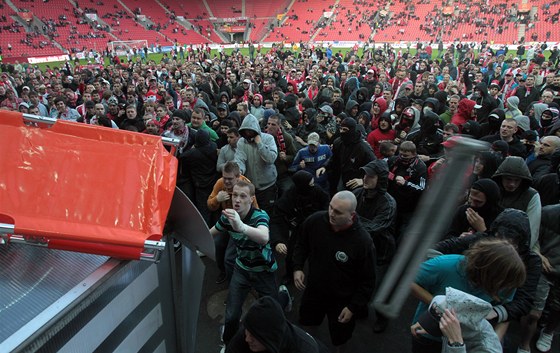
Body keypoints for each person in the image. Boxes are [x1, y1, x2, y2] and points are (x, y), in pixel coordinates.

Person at [292, 191, 376, 353]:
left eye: (338, 212)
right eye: (331, 207)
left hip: (342, 300)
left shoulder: (362, 242)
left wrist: (353, 307)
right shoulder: (315, 221)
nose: (331, 213)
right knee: (307, 325)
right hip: (314, 290)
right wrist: (297, 267)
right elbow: (301, 244)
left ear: (352, 215)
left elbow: (368, 280)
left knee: (340, 338)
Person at [410, 238, 526, 353]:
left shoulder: (507, 281)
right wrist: (442, 307)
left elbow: (506, 313)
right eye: (502, 282)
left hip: (466, 342)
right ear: (489, 272)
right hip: (429, 332)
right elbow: (409, 281)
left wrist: (494, 340)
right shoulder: (445, 265)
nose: (505, 288)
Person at [210, 181, 278, 344]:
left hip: (264, 270)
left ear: (252, 199)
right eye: (235, 195)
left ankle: (270, 340)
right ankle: (228, 343)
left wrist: (241, 227)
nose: (237, 200)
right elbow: (208, 234)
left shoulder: (259, 216)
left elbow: (264, 237)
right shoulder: (228, 216)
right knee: (232, 313)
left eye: (243, 196)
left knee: (273, 310)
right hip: (242, 269)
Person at [353, 160, 397, 333]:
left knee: (381, 289)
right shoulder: (357, 193)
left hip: (381, 252)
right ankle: (361, 308)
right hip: (361, 250)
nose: (366, 178)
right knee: (358, 282)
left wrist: (352, 219)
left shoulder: (388, 203)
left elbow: (375, 227)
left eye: (371, 176)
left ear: (381, 179)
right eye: (365, 175)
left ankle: (382, 317)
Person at [270, 170, 329, 285]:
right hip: (300, 228)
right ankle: (290, 275)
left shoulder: (317, 191)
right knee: (292, 254)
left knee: (320, 254)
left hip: (317, 226)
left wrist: (322, 220)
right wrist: (278, 240)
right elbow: (277, 219)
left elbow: (326, 203)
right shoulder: (289, 196)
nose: (313, 185)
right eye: (310, 184)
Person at [207, 161, 259, 284]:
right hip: (226, 219)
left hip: (240, 222)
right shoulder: (220, 183)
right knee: (218, 245)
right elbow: (210, 205)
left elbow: (256, 209)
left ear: (238, 177)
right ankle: (224, 272)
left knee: (229, 258)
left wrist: (252, 231)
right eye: (224, 178)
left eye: (230, 179)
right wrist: (217, 200)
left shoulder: (246, 186)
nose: (226, 182)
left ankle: (235, 284)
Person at [225, 296, 329, 353]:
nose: (247, 339)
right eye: (247, 332)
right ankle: (283, 296)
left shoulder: (304, 349)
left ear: (269, 338)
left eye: (253, 336)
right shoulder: (251, 329)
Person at [316, 117, 375, 196]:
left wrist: (363, 180)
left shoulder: (364, 148)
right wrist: (324, 166)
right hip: (342, 179)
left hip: (357, 184)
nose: (341, 132)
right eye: (341, 129)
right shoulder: (338, 142)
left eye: (345, 130)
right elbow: (334, 159)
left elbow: (375, 167)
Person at [492, 156, 541, 249]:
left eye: (517, 180)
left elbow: (532, 229)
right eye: (508, 179)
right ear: (500, 177)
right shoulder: (493, 190)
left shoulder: (531, 196)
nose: (512, 184)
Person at [234, 114, 278, 215]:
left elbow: (271, 158)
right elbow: (239, 159)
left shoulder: (268, 138)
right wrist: (239, 172)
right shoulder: (241, 142)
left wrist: (260, 144)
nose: (248, 133)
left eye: (251, 130)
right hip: (251, 187)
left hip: (267, 187)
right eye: (246, 131)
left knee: (267, 215)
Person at [387, 141, 427, 244]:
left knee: (403, 235)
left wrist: (406, 183)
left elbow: (422, 188)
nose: (403, 158)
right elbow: (384, 173)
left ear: (414, 154)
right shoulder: (394, 161)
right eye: (401, 154)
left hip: (409, 208)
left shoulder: (420, 167)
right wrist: (394, 177)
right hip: (393, 203)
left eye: (406, 156)